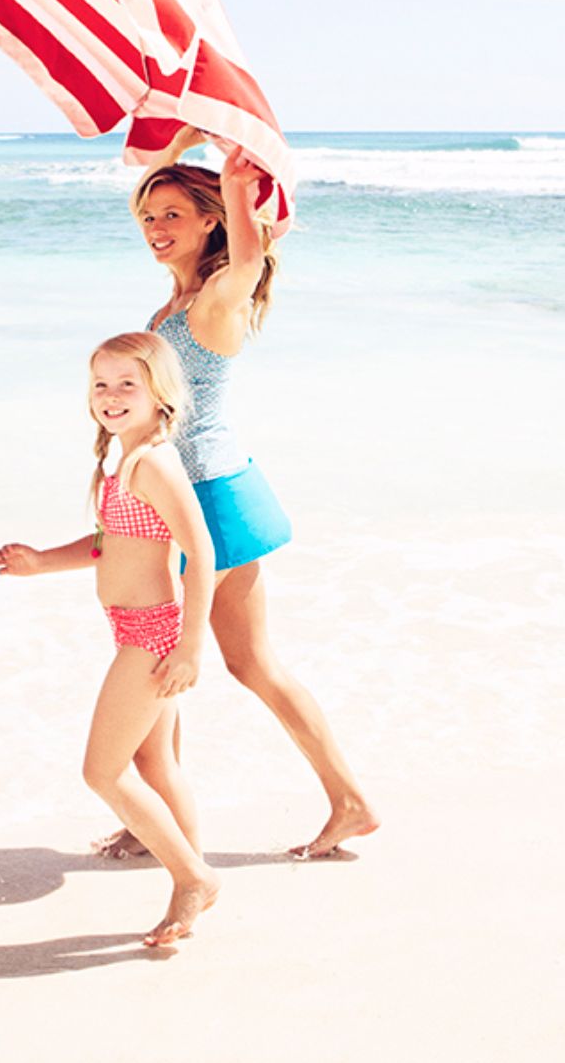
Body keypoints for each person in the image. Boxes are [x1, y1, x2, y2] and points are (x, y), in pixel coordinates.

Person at [107, 137, 378, 859]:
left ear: (208, 222)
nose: (157, 227)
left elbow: (250, 260)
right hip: (205, 493)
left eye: (172, 213)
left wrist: (234, 183)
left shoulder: (217, 300)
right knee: (243, 661)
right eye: (147, 216)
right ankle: (170, 810)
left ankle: (170, 814)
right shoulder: (178, 300)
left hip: (212, 500)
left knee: (185, 652)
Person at [0, 332, 220, 946]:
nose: (112, 396)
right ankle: (187, 869)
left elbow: (202, 553)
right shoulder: (122, 460)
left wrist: (191, 647)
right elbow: (108, 545)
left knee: (102, 771)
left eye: (128, 384)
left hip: (154, 635)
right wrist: (41, 560)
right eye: (102, 384)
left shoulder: (153, 462)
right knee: (155, 762)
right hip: (137, 627)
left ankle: (193, 877)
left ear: (159, 394)